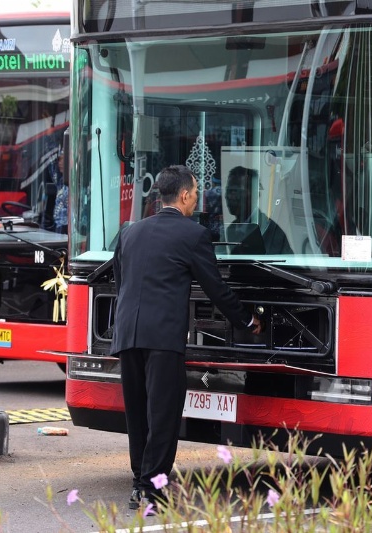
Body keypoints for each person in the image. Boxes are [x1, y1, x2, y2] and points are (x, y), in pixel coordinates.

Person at [110, 164, 262, 511]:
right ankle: (152, 491)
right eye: (195, 192)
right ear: (183, 195)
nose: (198, 198)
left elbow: (121, 281)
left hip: (128, 335)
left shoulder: (130, 233)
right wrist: (248, 319)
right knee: (163, 414)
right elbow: (217, 289)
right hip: (163, 338)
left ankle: (140, 483)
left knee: (138, 414)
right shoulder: (193, 235)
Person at [224, 166, 293, 254]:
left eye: (235, 191)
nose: (229, 197)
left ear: (254, 195)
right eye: (228, 191)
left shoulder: (271, 231)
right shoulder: (231, 229)